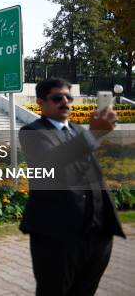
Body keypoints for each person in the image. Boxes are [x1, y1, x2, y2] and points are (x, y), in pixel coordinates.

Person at [19, 78, 125, 296]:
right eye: (58, 98)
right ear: (40, 102)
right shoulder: (33, 132)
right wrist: (93, 134)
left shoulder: (78, 130)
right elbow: (53, 164)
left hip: (97, 234)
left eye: (69, 97)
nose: (65, 102)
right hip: (57, 235)